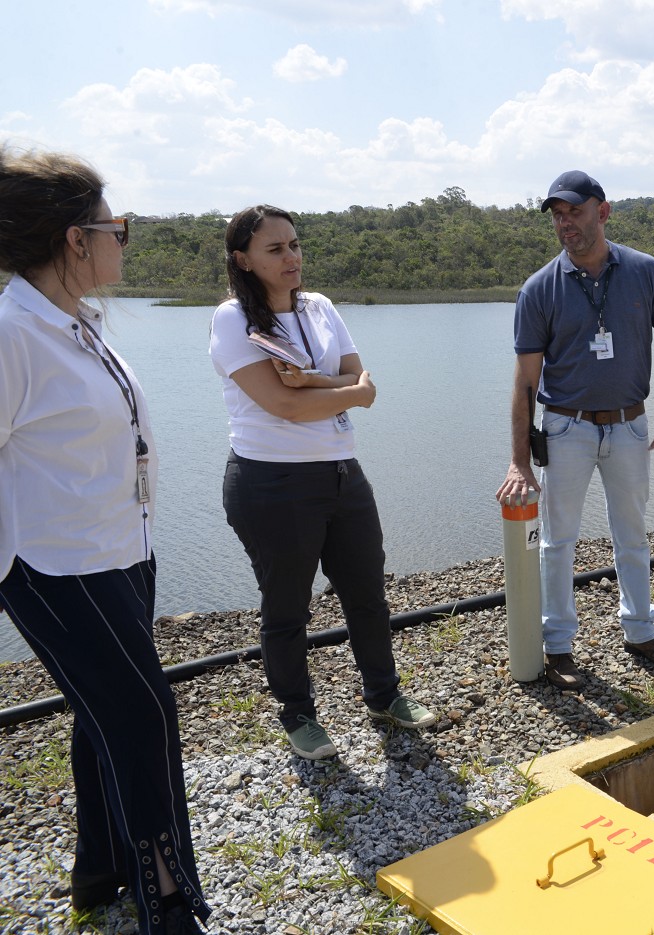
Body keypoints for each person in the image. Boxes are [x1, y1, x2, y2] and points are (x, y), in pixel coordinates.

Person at [0, 147, 209, 933]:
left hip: (120, 549)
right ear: (72, 239)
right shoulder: (13, 334)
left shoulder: (72, 323)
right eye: (112, 225)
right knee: (144, 715)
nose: (123, 236)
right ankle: (170, 901)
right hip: (55, 566)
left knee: (102, 713)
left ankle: (101, 869)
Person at [210, 205, 435, 760]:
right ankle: (298, 716)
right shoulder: (233, 319)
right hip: (271, 483)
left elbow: (360, 379)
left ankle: (384, 695)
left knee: (367, 594)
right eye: (275, 250)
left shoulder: (320, 308)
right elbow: (285, 406)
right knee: (287, 609)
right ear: (243, 259)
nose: (291, 258)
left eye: (294, 245)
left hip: (341, 473)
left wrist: (320, 382)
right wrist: (348, 393)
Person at [495, 171, 654, 690]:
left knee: (632, 535)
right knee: (557, 542)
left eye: (574, 212)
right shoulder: (539, 289)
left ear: (602, 212)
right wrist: (518, 461)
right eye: (557, 215)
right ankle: (558, 645)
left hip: (630, 426)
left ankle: (641, 631)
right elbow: (524, 384)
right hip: (566, 430)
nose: (566, 224)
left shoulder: (647, 272)